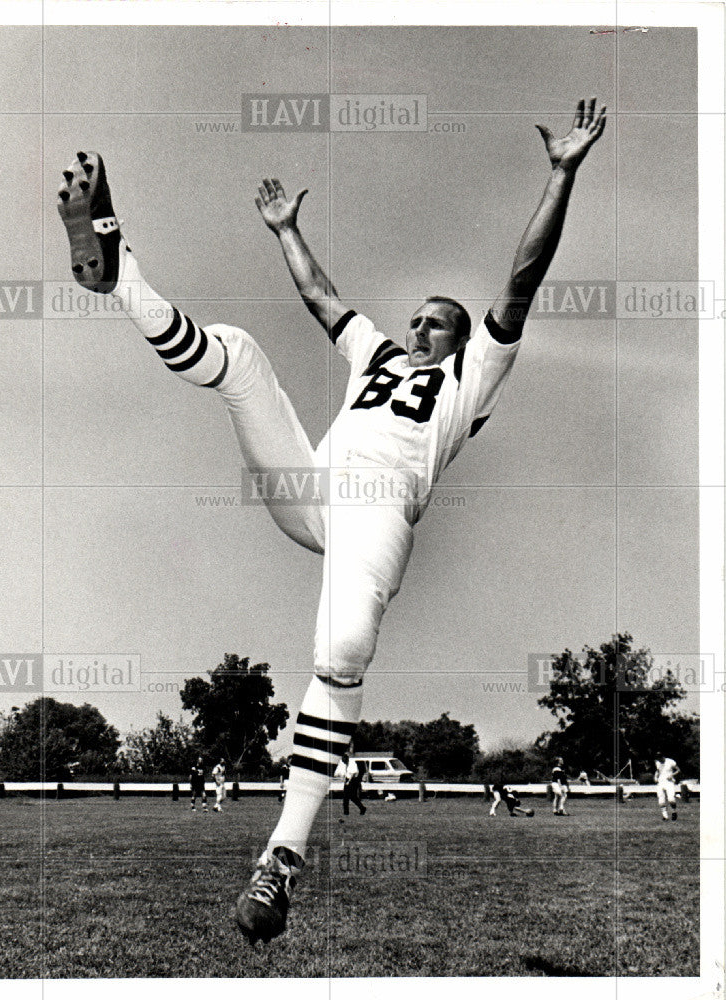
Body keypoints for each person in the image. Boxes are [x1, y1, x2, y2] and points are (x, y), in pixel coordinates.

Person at [57, 98, 606, 944]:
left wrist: (561, 173)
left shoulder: (471, 379)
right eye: (417, 314)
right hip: (314, 484)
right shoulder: (376, 353)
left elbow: (520, 280)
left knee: (342, 652)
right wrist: (284, 231)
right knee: (239, 354)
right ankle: (115, 268)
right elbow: (320, 297)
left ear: (460, 341)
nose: (418, 323)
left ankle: (281, 859)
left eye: (436, 320)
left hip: (378, 513)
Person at [336, 752, 366, 816]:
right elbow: (345, 773)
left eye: (343, 760)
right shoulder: (345, 764)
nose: (343, 761)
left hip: (353, 780)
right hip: (348, 780)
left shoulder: (352, 763)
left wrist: (348, 781)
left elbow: (353, 773)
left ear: (346, 759)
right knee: (345, 797)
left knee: (353, 797)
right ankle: (346, 812)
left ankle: (362, 808)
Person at [654, 753, 680, 821]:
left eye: (659, 758)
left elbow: (678, 770)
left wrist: (672, 775)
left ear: (662, 757)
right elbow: (658, 771)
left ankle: (674, 811)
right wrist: (655, 777)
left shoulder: (670, 762)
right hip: (661, 782)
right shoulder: (657, 763)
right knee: (661, 800)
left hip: (669, 782)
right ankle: (665, 816)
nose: (659, 760)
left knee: (671, 799)